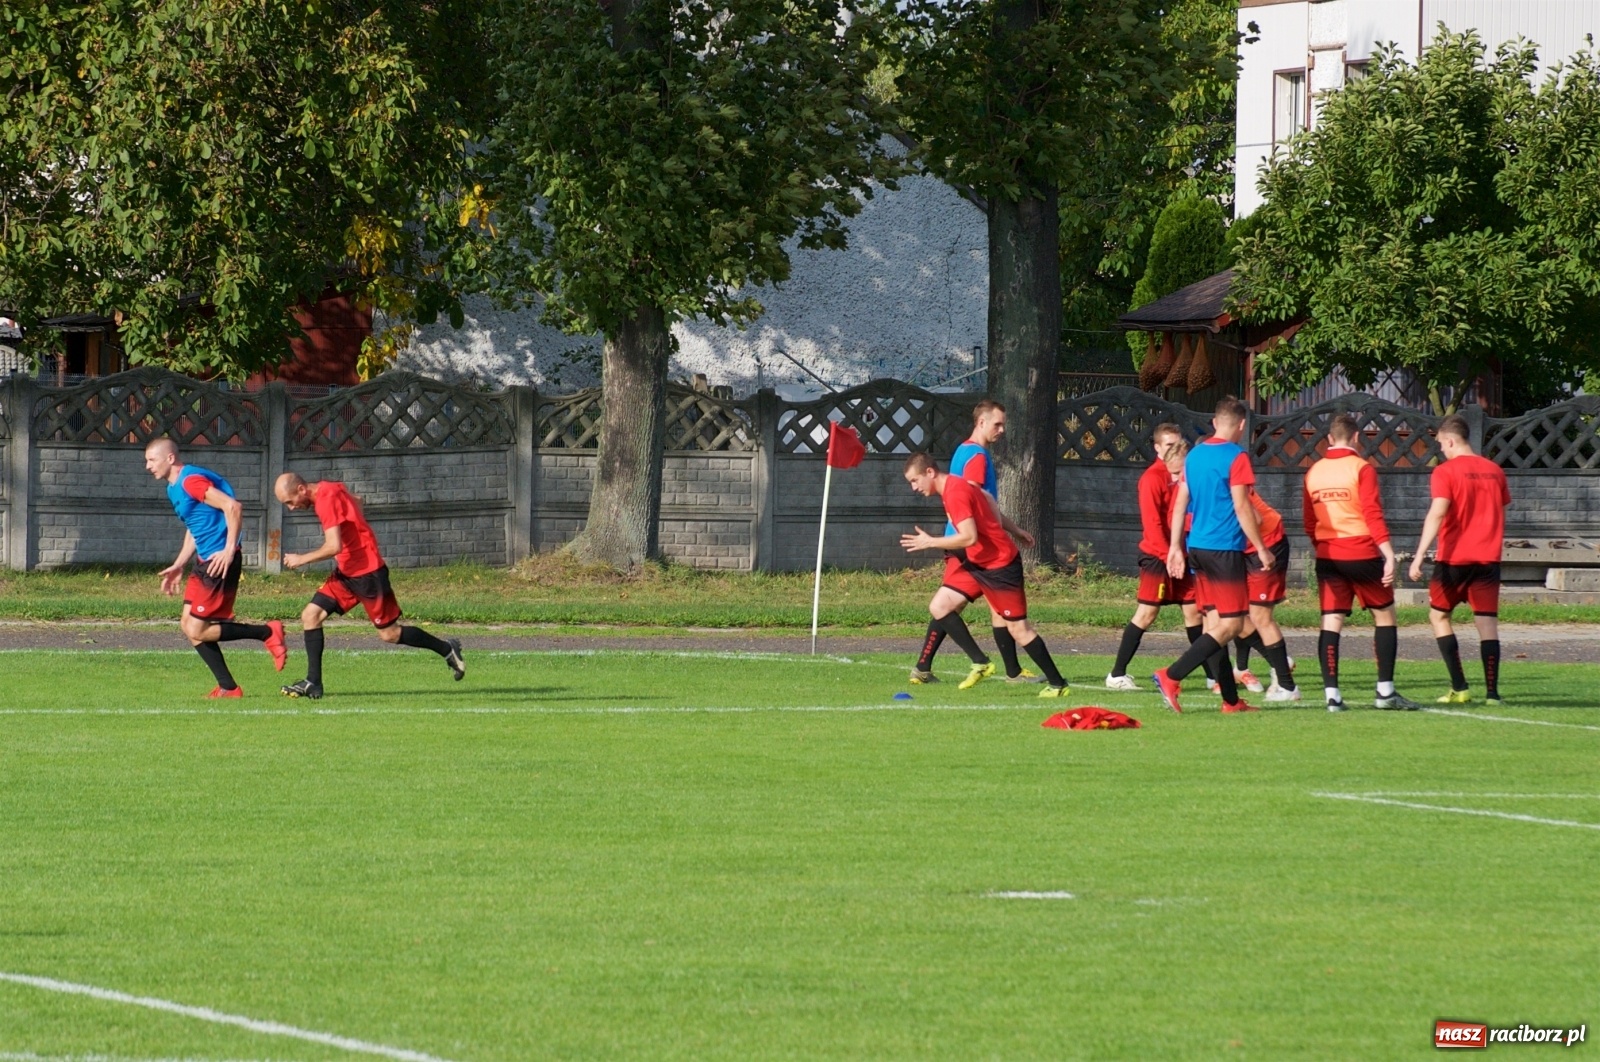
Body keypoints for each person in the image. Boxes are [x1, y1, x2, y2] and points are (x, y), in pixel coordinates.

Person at [274, 473, 465, 699]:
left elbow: (334, 545)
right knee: (310, 615)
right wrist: (359, 535)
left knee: (390, 634)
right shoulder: (329, 488)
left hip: (368, 574)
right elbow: (358, 500)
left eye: (289, 502)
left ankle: (446, 648)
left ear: (302, 489)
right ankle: (313, 683)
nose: (291, 508)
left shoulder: (325, 501)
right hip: (347, 572)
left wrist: (301, 559)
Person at [900, 452, 1069, 697]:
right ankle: (981, 662)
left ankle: (1057, 683)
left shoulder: (955, 492)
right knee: (940, 606)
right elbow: (988, 500)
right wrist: (1016, 530)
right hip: (978, 563)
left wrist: (930, 542)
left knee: (1019, 629)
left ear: (930, 472)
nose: (913, 487)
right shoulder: (957, 485)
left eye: (914, 480)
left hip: (999, 566)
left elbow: (969, 537)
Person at [1152, 397, 1270, 714]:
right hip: (1224, 549)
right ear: (1242, 425)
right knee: (1231, 625)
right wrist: (1260, 546)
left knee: (1214, 624)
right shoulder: (1237, 457)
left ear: (1215, 421)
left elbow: (1180, 504)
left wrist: (1176, 547)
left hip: (1198, 549)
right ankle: (1171, 675)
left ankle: (1231, 701)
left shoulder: (1195, 456)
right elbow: (1243, 506)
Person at [913, 400, 1043, 684]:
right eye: (997, 424)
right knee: (948, 605)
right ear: (981, 423)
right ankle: (986, 666)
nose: (1002, 430)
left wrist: (1014, 529)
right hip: (970, 545)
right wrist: (1009, 530)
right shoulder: (978, 457)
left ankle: (925, 667)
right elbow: (979, 500)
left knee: (980, 607)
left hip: (961, 542)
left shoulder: (963, 449)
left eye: (1003, 424)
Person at [146, 438, 286, 697]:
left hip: (220, 561)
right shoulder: (173, 488)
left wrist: (230, 549)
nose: (147, 466)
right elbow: (194, 527)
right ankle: (228, 687)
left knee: (197, 628)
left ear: (170, 458)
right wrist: (179, 564)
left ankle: (267, 632)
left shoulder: (190, 480)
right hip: (204, 560)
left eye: (151, 460)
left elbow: (233, 507)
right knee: (189, 625)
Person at [1304, 413, 1418, 712]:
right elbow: (1371, 512)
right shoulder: (1362, 468)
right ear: (1357, 437)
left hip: (1328, 554)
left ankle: (1332, 695)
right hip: (1362, 551)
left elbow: (1308, 521)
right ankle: (1385, 692)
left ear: (1330, 439)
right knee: (1384, 616)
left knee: (1331, 620)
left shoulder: (1313, 471)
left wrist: (1324, 545)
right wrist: (1389, 553)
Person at [1408, 414, 1511, 704]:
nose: (1441, 449)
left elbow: (1438, 513)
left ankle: (1459, 686)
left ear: (1450, 440)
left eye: (1441, 443)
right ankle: (1492, 693)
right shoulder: (1495, 471)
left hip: (1454, 559)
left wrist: (1418, 557)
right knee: (1487, 623)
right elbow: (1501, 514)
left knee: (1439, 615)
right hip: (1488, 560)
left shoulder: (1445, 472)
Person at [1106, 424, 1207, 690]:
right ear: (1158, 448)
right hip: (1158, 557)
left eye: (1179, 444)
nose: (1175, 450)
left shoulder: (1184, 475)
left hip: (1181, 556)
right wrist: (1169, 555)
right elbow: (1152, 526)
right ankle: (1116, 674)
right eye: (1170, 445)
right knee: (1147, 613)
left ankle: (1213, 677)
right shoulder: (1152, 478)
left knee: (1195, 614)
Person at [1238, 487, 1301, 703]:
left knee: (1260, 616)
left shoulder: (1223, 482)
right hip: (1238, 550)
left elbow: (1253, 517)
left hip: (1266, 543)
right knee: (1231, 617)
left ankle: (1287, 685)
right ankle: (1278, 663)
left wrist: (1261, 549)